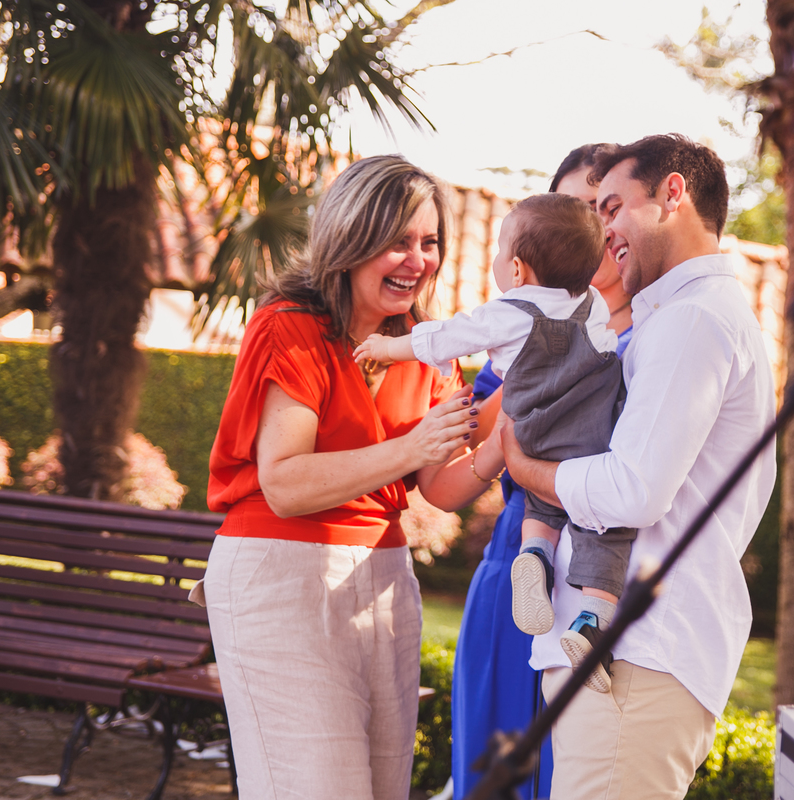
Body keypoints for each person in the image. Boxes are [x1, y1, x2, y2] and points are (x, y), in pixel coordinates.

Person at [197, 155, 506, 800]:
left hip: (386, 583)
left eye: (429, 244)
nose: (417, 261)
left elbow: (440, 486)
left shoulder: (427, 346)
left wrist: (517, 402)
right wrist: (410, 448)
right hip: (282, 576)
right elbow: (283, 483)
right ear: (351, 238)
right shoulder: (292, 326)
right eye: (398, 241)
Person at [504, 134, 777, 800]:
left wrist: (525, 465)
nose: (602, 230)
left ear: (674, 194)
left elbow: (633, 493)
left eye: (614, 206)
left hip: (635, 663)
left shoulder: (691, 322)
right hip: (623, 662)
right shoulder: (680, 319)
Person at [353, 192, 635, 694]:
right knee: (604, 527)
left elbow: (442, 337)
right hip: (594, 434)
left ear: (520, 270)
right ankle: (592, 620)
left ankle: (533, 556)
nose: (496, 260)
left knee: (539, 499)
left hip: (534, 431)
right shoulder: (591, 304)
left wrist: (387, 348)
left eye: (501, 250)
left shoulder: (510, 309)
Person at [447, 144, 632, 800]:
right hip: (516, 565)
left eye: (598, 212)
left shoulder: (647, 338)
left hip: (602, 587)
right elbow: (453, 474)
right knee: (491, 771)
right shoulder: (513, 346)